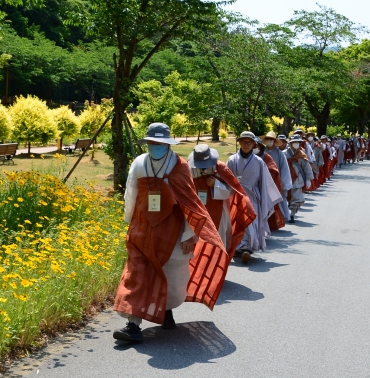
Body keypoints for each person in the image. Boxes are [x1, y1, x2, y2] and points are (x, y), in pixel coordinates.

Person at [113, 123, 226, 344]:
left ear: (167, 144)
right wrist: (130, 223)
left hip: (172, 230)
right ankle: (132, 325)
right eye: (152, 143)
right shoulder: (139, 164)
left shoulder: (180, 166)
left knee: (171, 276)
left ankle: (165, 311)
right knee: (136, 273)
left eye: (160, 143)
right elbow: (130, 195)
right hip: (142, 229)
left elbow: (189, 202)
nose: (156, 147)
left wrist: (188, 235)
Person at [188, 144, 256, 258]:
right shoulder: (190, 168)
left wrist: (216, 185)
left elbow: (232, 190)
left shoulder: (221, 168)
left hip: (219, 210)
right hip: (198, 209)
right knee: (198, 238)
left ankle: (216, 262)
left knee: (218, 236)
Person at [227, 131, 282, 263]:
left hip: (253, 197)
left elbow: (264, 182)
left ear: (253, 144)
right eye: (244, 142)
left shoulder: (259, 162)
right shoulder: (231, 160)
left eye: (249, 142)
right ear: (239, 142)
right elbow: (226, 178)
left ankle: (247, 247)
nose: (246, 145)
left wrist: (265, 199)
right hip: (235, 196)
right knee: (237, 221)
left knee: (251, 222)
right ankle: (239, 246)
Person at [256, 136, 286, 232]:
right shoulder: (243, 157)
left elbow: (274, 169)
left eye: (257, 146)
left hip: (264, 186)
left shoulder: (268, 157)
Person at [265, 132, 292, 222]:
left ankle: (281, 217)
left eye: (271, 140)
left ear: (274, 141)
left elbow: (284, 168)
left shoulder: (280, 154)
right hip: (264, 180)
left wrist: (284, 183)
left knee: (279, 198)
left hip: (276, 180)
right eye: (268, 139)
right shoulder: (262, 152)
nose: (269, 141)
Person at [286, 135, 313, 223]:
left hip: (298, 179)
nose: (296, 144)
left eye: (298, 142)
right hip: (286, 178)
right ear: (290, 143)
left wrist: (308, 179)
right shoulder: (283, 153)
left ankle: (292, 214)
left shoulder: (302, 153)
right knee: (286, 197)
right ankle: (285, 212)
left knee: (296, 198)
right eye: (294, 142)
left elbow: (306, 167)